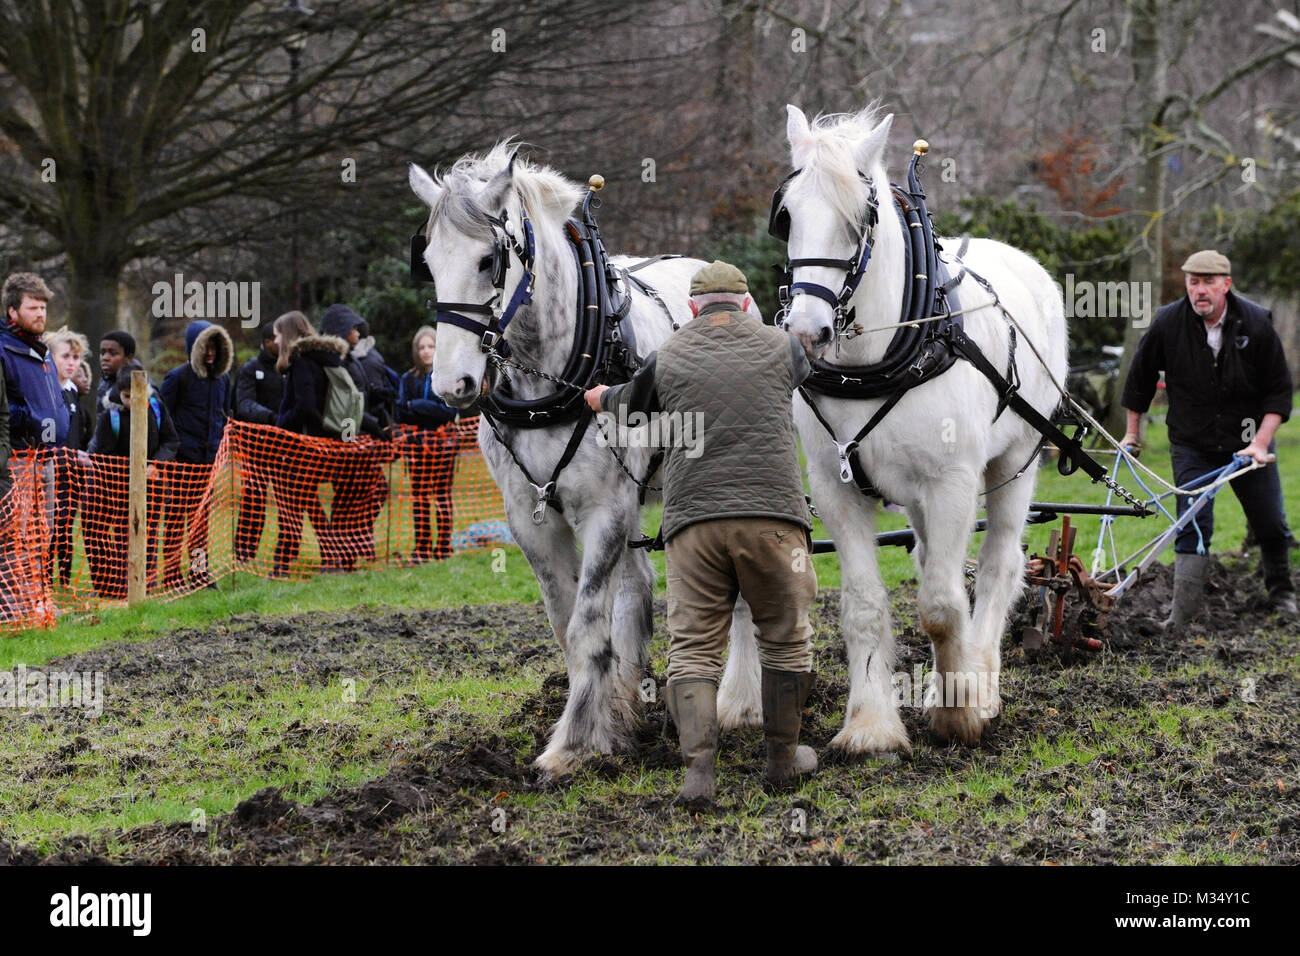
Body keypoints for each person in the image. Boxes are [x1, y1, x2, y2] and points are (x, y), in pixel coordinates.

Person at [584, 261, 819, 805]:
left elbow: (626, 404)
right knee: (786, 638)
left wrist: (599, 397)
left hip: (692, 529)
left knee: (692, 650)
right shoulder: (780, 347)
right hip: (774, 524)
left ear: (692, 308)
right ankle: (783, 759)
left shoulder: (666, 356)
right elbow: (809, 364)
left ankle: (698, 773)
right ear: (744, 303)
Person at [1120, 249, 1296, 626]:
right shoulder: (1168, 322)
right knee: (1193, 524)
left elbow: (1279, 392)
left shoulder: (1255, 322)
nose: (1200, 290)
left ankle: (1282, 595)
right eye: (1193, 282)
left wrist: (1260, 444)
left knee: (1270, 522)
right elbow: (1139, 379)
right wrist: (1132, 434)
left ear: (1226, 285)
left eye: (1208, 282)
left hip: (1249, 443)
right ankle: (1180, 619)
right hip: (1192, 444)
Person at [84, 367, 179, 597]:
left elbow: (171, 440)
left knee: (149, 532)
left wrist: (155, 464)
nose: (131, 401)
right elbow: (100, 454)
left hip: (152, 487)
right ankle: (120, 587)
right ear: (120, 393)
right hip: (119, 489)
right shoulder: (111, 416)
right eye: (126, 396)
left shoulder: (156, 408)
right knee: (122, 537)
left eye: (136, 395)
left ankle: (148, 584)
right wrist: (127, 472)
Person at [272, 311, 350, 577]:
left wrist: (281, 423)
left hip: (304, 445)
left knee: (297, 502)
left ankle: (287, 562)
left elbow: (305, 405)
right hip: (321, 442)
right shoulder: (324, 358)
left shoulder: (303, 361)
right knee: (303, 501)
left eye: (277, 334)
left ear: (289, 334)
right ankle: (301, 560)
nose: (275, 339)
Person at [319, 304, 396, 564]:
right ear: (340, 331)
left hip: (361, 437)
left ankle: (355, 543)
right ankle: (339, 554)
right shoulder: (334, 360)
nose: (357, 333)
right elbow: (346, 404)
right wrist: (373, 425)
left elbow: (360, 394)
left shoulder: (351, 357)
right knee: (347, 496)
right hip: (348, 437)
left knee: (370, 491)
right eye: (352, 328)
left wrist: (378, 396)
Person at [158, 319, 233, 589]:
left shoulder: (223, 380)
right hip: (182, 464)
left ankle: (199, 573)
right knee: (177, 520)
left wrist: (221, 451)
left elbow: (224, 417)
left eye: (215, 346)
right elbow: (162, 417)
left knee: (201, 523)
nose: (210, 352)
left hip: (208, 464)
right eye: (206, 346)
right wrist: (170, 454)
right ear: (195, 347)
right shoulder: (178, 377)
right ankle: (170, 575)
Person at [396, 326, 459, 562]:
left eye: (430, 346)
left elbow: (448, 413)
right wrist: (423, 410)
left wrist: (419, 406)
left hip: (443, 447)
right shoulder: (408, 379)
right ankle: (421, 548)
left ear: (438, 347)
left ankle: (443, 547)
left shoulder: (448, 376)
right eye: (421, 347)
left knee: (441, 496)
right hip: (416, 446)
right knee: (420, 496)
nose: (426, 351)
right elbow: (402, 411)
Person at [233, 319, 287, 562]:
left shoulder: (290, 367)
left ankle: (286, 552)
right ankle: (244, 551)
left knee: (288, 500)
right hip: (256, 446)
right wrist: (270, 417)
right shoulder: (249, 369)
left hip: (286, 445)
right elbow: (243, 404)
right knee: (254, 497)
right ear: (268, 343)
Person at [43, 328, 92, 586]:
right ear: (51, 358)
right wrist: (62, 455)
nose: (72, 363)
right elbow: (49, 435)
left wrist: (79, 454)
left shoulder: (72, 391)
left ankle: (63, 581)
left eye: (76, 357)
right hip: (50, 471)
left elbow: (74, 433)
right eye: (65, 357)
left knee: (65, 528)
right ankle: (43, 580)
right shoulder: (46, 390)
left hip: (72, 473)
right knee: (48, 528)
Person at [97, 331, 138, 410]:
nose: (105, 358)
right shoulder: (104, 381)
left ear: (128, 358)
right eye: (102, 353)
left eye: (113, 353)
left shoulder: (140, 385)